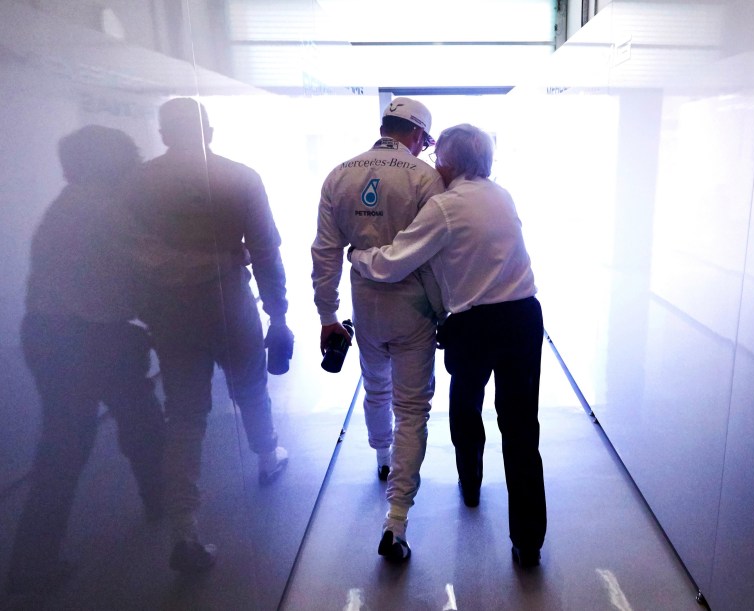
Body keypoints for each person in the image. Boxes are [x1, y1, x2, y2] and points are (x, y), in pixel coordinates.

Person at [349, 123, 547, 568]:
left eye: (438, 156)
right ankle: (529, 542)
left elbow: (397, 260)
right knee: (521, 429)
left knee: (465, 407)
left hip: (475, 323)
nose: (433, 161)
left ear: (450, 162)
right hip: (524, 317)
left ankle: (471, 484)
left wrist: (358, 257)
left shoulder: (444, 206)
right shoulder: (501, 195)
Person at [126, 98, 293, 573]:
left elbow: (128, 255)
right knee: (251, 389)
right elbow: (264, 251)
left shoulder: (138, 183)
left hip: (171, 311)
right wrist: (278, 313)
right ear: (210, 131)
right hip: (229, 303)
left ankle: (184, 528)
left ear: (162, 134)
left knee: (184, 416)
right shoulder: (238, 177)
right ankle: (266, 456)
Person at [6, 126, 164, 595]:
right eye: (129, 155)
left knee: (67, 446)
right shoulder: (107, 208)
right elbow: (151, 267)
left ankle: (31, 564)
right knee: (130, 428)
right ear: (110, 162)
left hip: (55, 333)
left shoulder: (70, 204)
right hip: (89, 337)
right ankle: (163, 506)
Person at [312, 97, 444, 562]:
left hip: (363, 302)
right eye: (427, 140)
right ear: (419, 135)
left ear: (385, 125)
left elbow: (325, 253)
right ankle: (397, 522)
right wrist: (444, 313)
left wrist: (328, 316)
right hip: (413, 302)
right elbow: (434, 252)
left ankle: (382, 459)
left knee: (376, 388)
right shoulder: (424, 177)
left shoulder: (340, 173)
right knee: (413, 408)